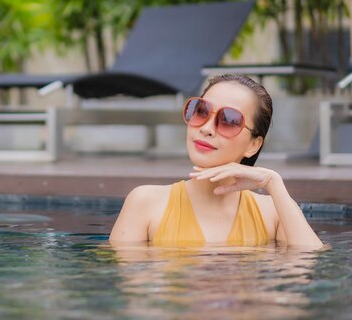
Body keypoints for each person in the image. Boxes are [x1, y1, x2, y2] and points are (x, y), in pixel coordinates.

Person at [109, 74, 323, 249]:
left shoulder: (273, 212)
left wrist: (273, 182)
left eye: (229, 120)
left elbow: (308, 265)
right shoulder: (145, 203)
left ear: (253, 145)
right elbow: (134, 294)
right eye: (200, 111)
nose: (206, 128)